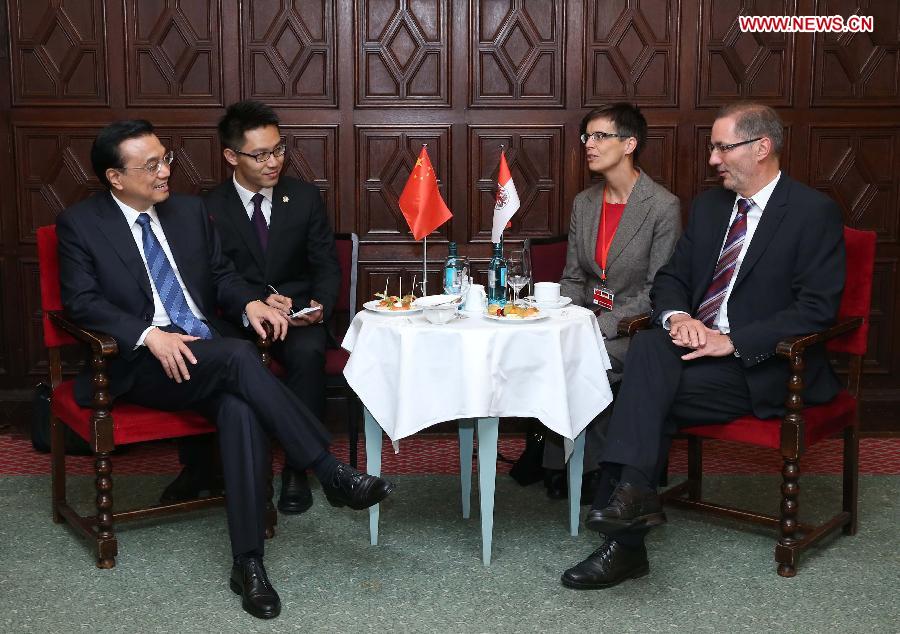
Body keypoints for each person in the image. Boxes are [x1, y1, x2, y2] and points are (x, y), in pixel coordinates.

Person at [56, 120, 394, 619]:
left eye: (165, 159)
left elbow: (221, 278)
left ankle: (249, 563)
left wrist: (250, 305)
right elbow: (81, 303)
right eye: (151, 166)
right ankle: (328, 468)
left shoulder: (189, 212)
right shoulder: (82, 225)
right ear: (114, 176)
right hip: (141, 364)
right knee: (238, 357)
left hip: (205, 354)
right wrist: (150, 335)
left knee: (239, 407)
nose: (166, 171)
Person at [560, 102, 846, 589]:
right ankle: (631, 504)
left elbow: (816, 310)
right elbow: (671, 278)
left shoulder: (812, 212)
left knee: (639, 391)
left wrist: (731, 341)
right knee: (651, 348)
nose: (713, 159)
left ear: (762, 147)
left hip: (763, 366)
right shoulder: (713, 207)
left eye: (722, 147)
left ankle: (623, 535)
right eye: (713, 147)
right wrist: (680, 316)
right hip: (691, 353)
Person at [161, 100, 341, 516]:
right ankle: (200, 467)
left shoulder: (304, 197)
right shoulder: (205, 207)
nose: (273, 162)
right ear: (231, 156)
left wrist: (320, 305)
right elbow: (206, 276)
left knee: (308, 352)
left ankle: (298, 468)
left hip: (296, 317)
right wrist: (255, 300)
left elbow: (325, 264)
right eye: (260, 155)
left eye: (278, 150)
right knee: (201, 350)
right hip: (236, 316)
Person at [543, 103, 681, 500]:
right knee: (555, 353)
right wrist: (563, 321)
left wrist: (599, 326)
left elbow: (659, 288)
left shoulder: (662, 207)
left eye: (601, 136)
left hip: (632, 329)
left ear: (630, 144)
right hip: (584, 319)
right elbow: (573, 277)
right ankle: (561, 463)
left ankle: (594, 472)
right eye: (587, 137)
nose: (589, 144)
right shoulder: (584, 203)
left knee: (588, 362)